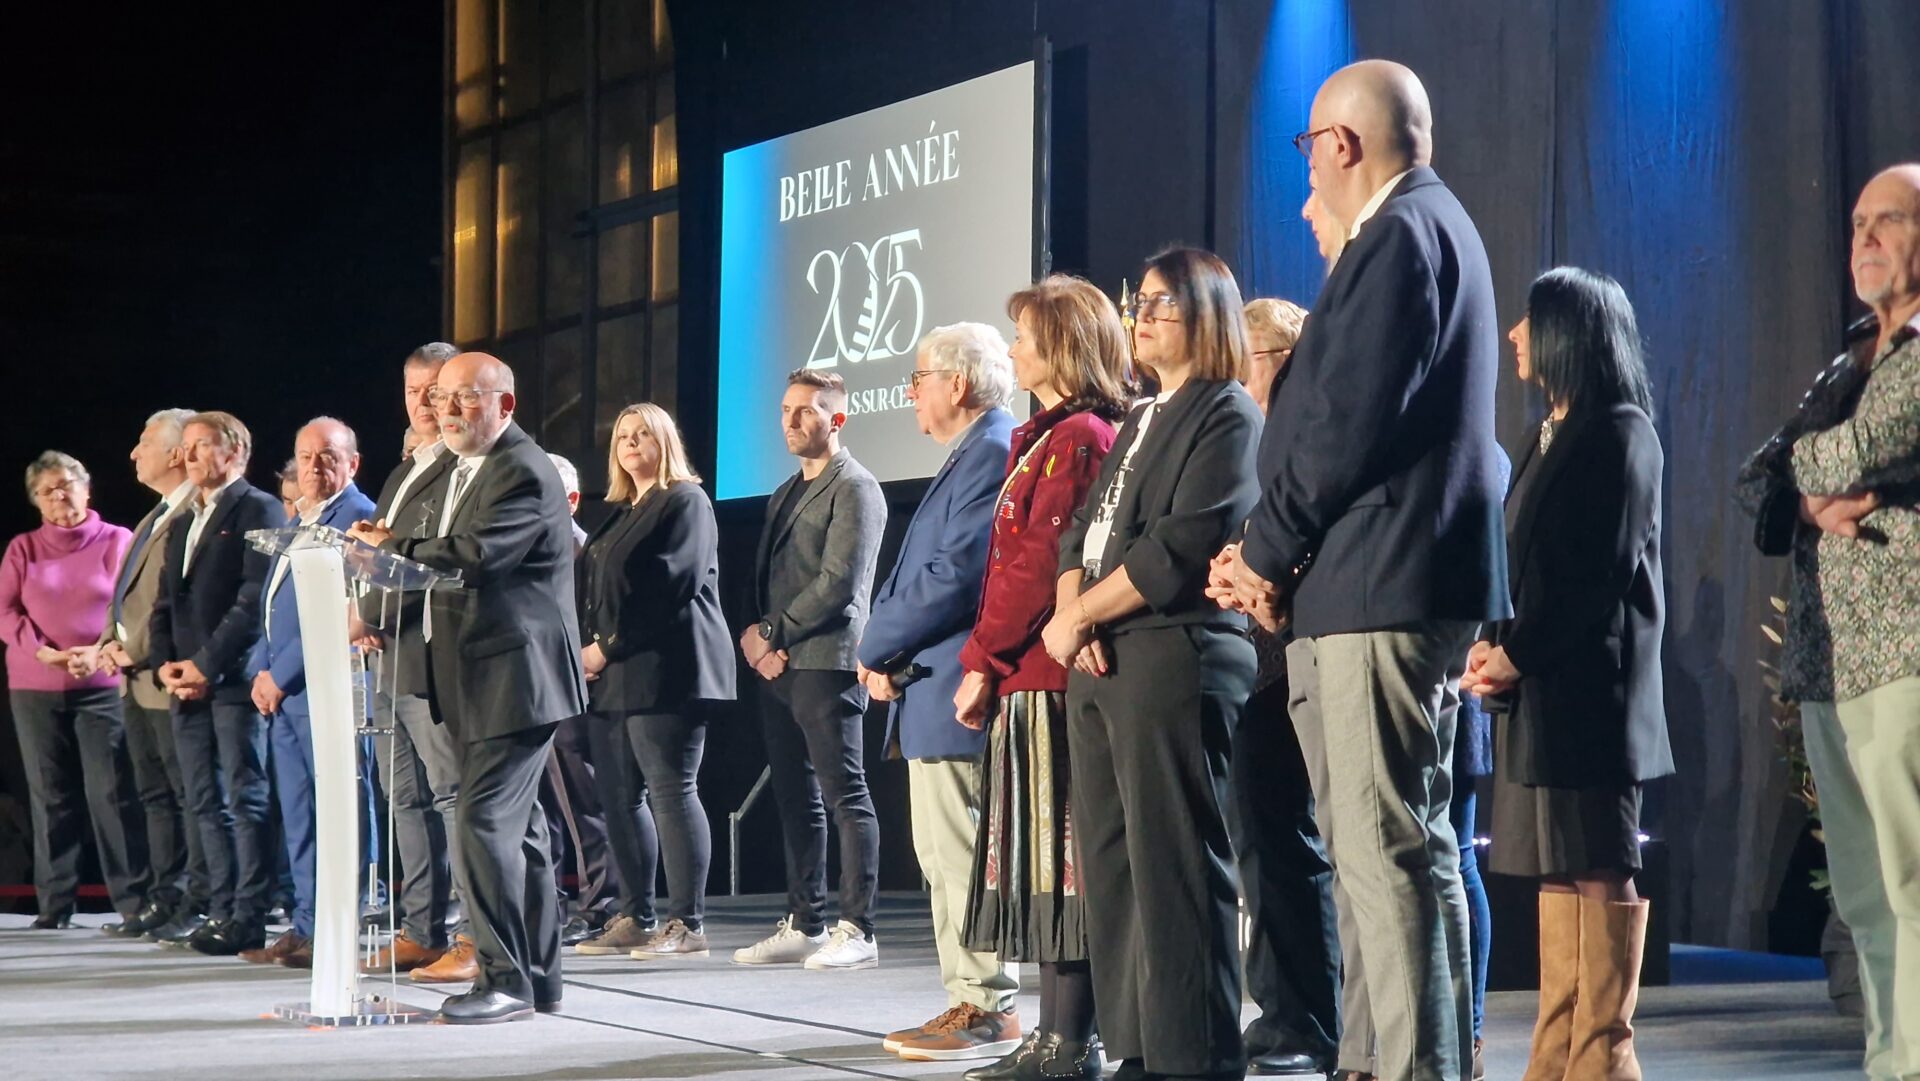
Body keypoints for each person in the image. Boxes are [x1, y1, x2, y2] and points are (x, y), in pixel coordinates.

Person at [1228, 60, 1510, 1081]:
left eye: (1308, 146)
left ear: (1340, 144)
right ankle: (1377, 1057)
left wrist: (1263, 551)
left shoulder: (1399, 235)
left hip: (1381, 582)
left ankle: (1415, 1067)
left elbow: (1346, 422)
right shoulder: (1423, 228)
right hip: (1369, 580)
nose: (1309, 166)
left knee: (1388, 852)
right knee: (1390, 849)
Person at [1043, 247, 1262, 1081]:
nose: (1142, 315)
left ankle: (1195, 1051)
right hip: (1102, 657)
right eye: (1141, 301)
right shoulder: (1138, 415)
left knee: (1174, 861)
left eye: (1162, 303)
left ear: (1207, 316)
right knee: (1112, 861)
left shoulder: (1226, 413)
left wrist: (1081, 616)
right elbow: (1081, 533)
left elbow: (1181, 545)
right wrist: (1074, 613)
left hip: (1174, 653)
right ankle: (1138, 1042)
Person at [1464, 268, 1669, 1080]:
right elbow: (1521, 562)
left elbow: (1597, 574)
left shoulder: (1622, 430)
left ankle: (1606, 1055)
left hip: (1594, 689)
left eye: (1529, 320)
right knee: (1556, 862)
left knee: (1599, 859)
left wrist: (1520, 651)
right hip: (1539, 685)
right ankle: (1557, 1049)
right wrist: (1494, 643)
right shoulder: (1549, 430)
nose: (1514, 334)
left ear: (1567, 335)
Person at [350, 351, 588, 1023]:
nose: (447, 409)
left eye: (465, 398)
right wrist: (392, 548)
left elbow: (479, 555)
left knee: (481, 823)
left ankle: (504, 977)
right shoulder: (463, 467)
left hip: (516, 679)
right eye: (443, 398)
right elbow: (444, 545)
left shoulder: (520, 468)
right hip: (478, 678)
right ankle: (539, 978)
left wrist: (386, 551)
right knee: (525, 834)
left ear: (504, 405)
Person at [954, 275, 1131, 1081]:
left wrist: (980, 662)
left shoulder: (1083, 435)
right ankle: (1055, 1035)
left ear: (1060, 343)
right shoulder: (1045, 436)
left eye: (1025, 335)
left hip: (1049, 682)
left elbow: (1034, 572)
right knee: (1035, 863)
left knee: (1062, 861)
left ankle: (1071, 1039)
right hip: (1027, 678)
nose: (1014, 349)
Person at [1776, 163, 1920, 1081]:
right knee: (1865, 894)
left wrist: (1802, 463)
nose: (1862, 236)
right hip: (1829, 661)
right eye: (1856, 220)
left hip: (1905, 646)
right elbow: (1764, 469)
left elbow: (1864, 443)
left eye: (1888, 220)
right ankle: (1887, 1059)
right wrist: (1805, 486)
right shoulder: (1847, 361)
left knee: (1912, 881)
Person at [857, 323, 1019, 1061]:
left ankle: (985, 1003)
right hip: (931, 687)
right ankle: (969, 995)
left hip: (958, 689)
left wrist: (874, 645)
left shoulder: (990, 451)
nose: (911, 393)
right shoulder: (971, 452)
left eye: (917, 377)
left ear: (956, 383)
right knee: (943, 853)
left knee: (962, 853)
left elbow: (953, 577)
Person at [1220, 295, 1342, 1080]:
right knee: (1257, 847)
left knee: (1291, 845)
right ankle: (1275, 1009)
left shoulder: (1303, 438)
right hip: (1250, 661)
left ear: (1286, 360)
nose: (1239, 373)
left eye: (1250, 358)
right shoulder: (1250, 439)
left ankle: (1312, 1017)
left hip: (1291, 656)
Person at [734, 368, 887, 969]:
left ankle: (859, 927)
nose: (791, 422)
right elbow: (767, 580)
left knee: (845, 793)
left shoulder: (856, 487)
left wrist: (772, 634)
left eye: (806, 411)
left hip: (829, 663)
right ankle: (806, 921)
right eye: (785, 410)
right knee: (796, 796)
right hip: (781, 666)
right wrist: (765, 643)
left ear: (837, 419)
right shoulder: (782, 492)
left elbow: (840, 585)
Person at [572, 404, 734, 961]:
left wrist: (605, 648)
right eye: (622, 434)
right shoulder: (619, 511)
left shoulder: (684, 501)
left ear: (665, 441)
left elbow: (671, 588)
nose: (631, 442)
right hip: (614, 675)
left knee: (671, 791)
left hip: (668, 670)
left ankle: (686, 923)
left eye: (643, 433)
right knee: (619, 798)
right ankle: (635, 915)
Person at [239, 418, 377, 968]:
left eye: (327, 457)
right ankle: (305, 923)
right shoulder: (299, 519)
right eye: (305, 457)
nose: (314, 468)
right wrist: (259, 669)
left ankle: (339, 926)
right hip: (285, 693)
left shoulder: (360, 516)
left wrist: (282, 674)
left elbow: (340, 613)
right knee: (298, 814)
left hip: (329, 686)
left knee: (337, 812)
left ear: (352, 463)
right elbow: (274, 606)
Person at [148, 411, 284, 956]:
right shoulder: (183, 519)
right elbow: (164, 602)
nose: (188, 457)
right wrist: (165, 664)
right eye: (186, 447)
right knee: (203, 801)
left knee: (244, 797)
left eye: (201, 446)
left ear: (235, 452)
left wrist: (206, 664)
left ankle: (249, 914)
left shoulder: (259, 507)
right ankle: (219, 908)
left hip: (232, 681)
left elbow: (252, 601)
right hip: (184, 683)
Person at [357, 341, 468, 980]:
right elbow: (379, 554)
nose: (423, 401)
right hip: (387, 654)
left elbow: (432, 559)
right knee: (406, 795)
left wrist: (375, 609)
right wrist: (363, 611)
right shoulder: (402, 474)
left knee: (451, 791)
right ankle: (422, 927)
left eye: (435, 389)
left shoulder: (460, 468)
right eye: (412, 390)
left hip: (431, 653)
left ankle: (470, 935)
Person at [0, 452, 144, 929]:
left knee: (112, 794)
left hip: (102, 683)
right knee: (50, 796)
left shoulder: (118, 540)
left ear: (87, 489)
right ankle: (54, 906)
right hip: (35, 685)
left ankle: (133, 903)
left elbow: (133, 607)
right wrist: (44, 653)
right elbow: (7, 612)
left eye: (66, 485)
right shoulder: (23, 548)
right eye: (46, 490)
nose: (58, 496)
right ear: (36, 501)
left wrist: (96, 649)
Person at [90, 410, 202, 940]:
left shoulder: (190, 516)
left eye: (144, 442)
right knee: (154, 795)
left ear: (178, 453)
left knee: (185, 794)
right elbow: (127, 599)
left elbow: (169, 599)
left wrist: (132, 649)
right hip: (133, 679)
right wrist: (108, 644)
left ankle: (193, 900)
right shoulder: (155, 515)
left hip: (165, 674)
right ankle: (163, 897)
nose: (134, 453)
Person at [541, 450, 625, 946]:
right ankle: (546, 905)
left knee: (585, 807)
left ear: (571, 500)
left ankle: (602, 907)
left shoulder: (586, 555)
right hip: (537, 695)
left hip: (577, 696)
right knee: (544, 812)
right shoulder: (535, 552)